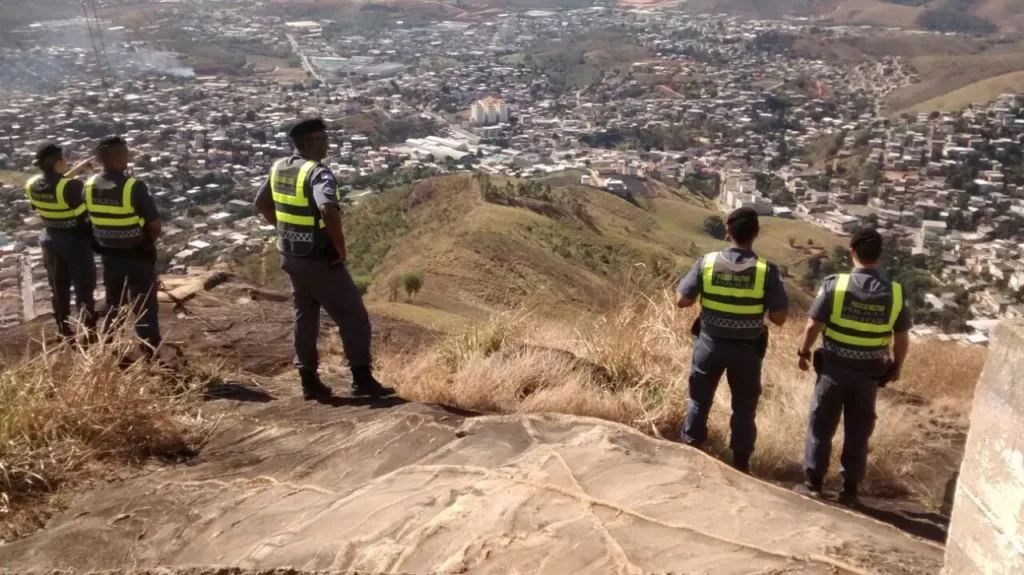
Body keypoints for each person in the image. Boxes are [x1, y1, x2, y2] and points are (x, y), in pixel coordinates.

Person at [254, 117, 394, 400]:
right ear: (310, 142)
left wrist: (283, 229)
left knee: (304, 315)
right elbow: (328, 211)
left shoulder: (279, 167)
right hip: (319, 257)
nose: (328, 143)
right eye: (323, 139)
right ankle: (361, 379)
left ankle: (308, 381)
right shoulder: (317, 173)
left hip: (291, 254)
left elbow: (261, 203)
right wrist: (340, 247)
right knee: (353, 316)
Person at [794, 228, 911, 506]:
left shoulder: (836, 285)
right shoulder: (895, 293)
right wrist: (896, 366)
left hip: (833, 370)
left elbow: (813, 325)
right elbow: (902, 336)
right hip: (869, 375)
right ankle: (849, 491)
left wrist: (803, 352)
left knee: (821, 426)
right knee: (858, 433)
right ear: (879, 256)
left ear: (852, 253)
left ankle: (813, 485)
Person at [675, 207, 789, 473]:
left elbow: (681, 301)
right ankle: (740, 463)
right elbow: (780, 318)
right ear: (756, 233)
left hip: (710, 344)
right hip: (747, 351)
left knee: (699, 400)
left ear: (728, 229)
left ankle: (691, 451)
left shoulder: (707, 262)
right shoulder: (766, 270)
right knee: (744, 408)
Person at [84, 136, 163, 355]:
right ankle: (150, 353)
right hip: (138, 255)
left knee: (114, 303)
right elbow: (155, 225)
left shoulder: (89, 186)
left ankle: (110, 347)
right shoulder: (133, 186)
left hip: (109, 255)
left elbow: (89, 219)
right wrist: (148, 241)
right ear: (121, 157)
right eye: (126, 154)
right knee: (144, 305)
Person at [25, 143, 97, 340]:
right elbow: (84, 214)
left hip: (50, 239)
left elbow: (55, 186)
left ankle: (63, 330)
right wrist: (91, 176)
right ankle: (90, 333)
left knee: (58, 287)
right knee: (83, 288)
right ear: (59, 162)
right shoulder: (73, 186)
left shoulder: (31, 184)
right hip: (75, 241)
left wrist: (78, 169)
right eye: (65, 159)